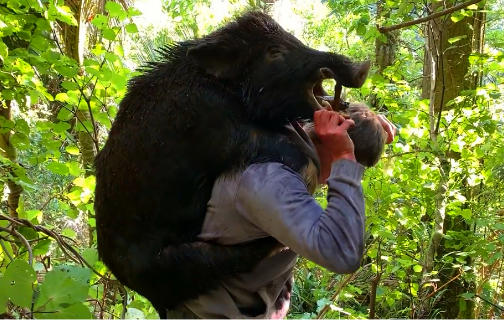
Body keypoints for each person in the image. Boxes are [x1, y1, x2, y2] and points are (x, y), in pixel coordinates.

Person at [170, 103, 397, 320]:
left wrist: (371, 121)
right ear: (332, 142)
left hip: (238, 306)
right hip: (209, 313)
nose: (328, 182)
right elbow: (343, 253)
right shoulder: (271, 178)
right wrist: (345, 158)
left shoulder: (286, 136)